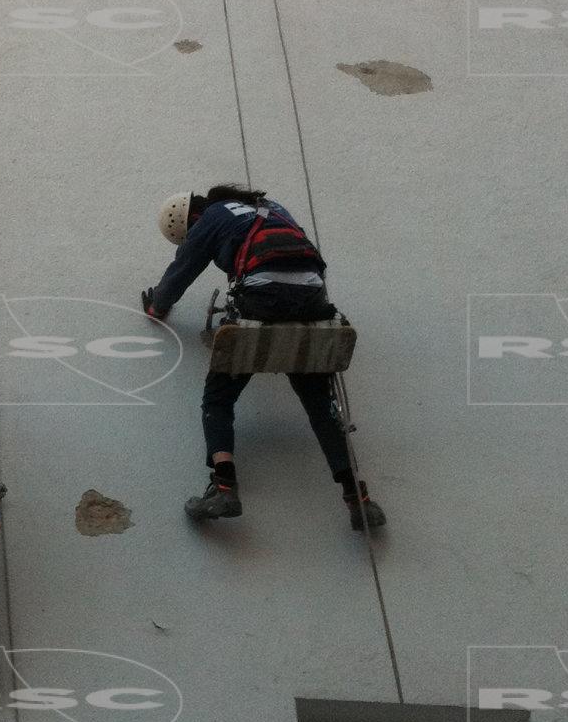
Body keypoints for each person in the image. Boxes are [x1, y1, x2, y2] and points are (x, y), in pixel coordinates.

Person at [142, 187, 386, 532]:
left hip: (263, 297)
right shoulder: (272, 208)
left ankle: (223, 489)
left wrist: (156, 307)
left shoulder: (211, 216)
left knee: (219, 397)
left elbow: (182, 269)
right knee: (320, 402)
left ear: (192, 218)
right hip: (313, 300)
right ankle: (359, 500)